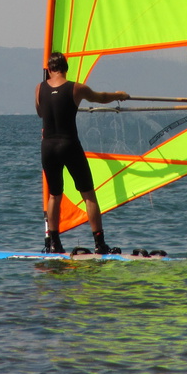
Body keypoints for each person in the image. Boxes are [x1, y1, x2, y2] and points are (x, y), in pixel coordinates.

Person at [34, 51, 129, 254]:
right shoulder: (76, 88)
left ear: (49, 70)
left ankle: (53, 242)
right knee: (88, 195)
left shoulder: (38, 88)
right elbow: (101, 98)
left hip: (48, 147)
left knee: (54, 195)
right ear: (66, 68)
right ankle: (100, 244)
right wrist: (119, 96)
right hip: (69, 145)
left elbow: (40, 112)